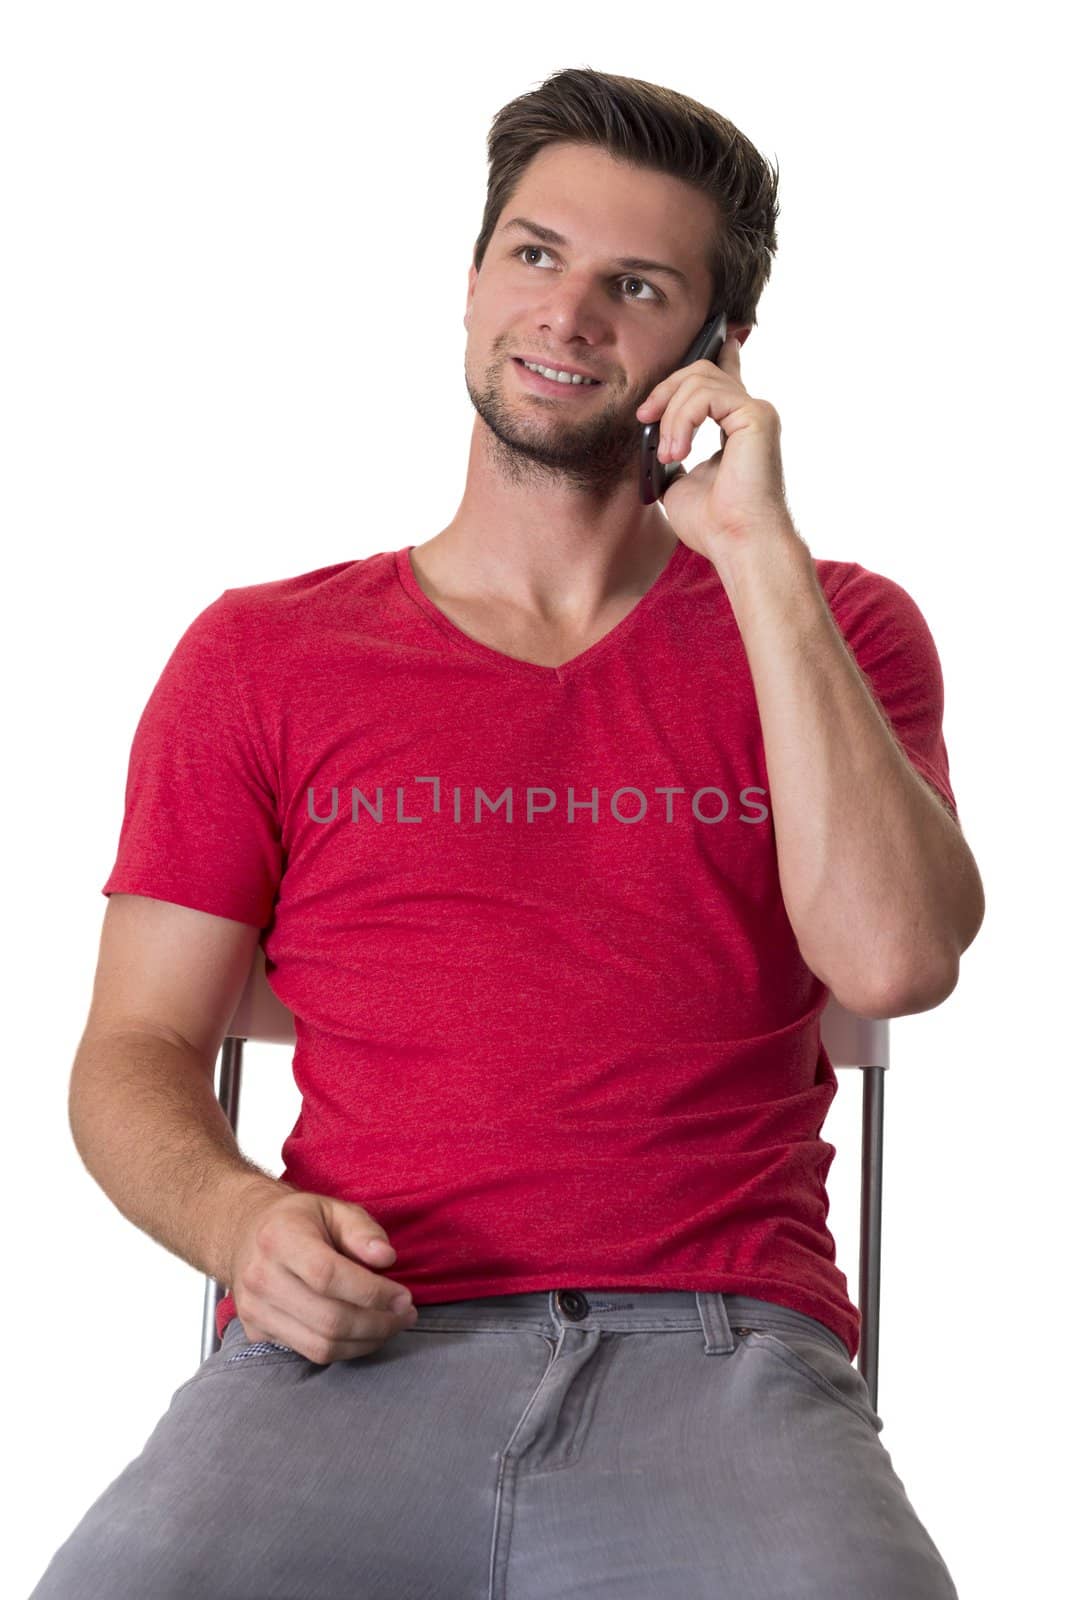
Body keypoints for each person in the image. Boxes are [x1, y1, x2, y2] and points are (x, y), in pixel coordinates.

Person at [31, 66, 981, 1600]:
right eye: (534, 256)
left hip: (725, 1344)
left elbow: (895, 955)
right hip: (353, 1345)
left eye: (639, 285)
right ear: (472, 281)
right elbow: (133, 1044)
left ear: (718, 349)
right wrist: (238, 1220)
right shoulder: (260, 656)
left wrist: (759, 555)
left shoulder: (835, 627)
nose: (568, 315)